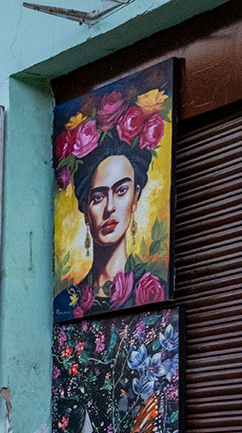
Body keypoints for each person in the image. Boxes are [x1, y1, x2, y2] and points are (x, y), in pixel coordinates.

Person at [53, 86, 170, 322]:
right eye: (98, 197)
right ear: (84, 209)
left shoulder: (157, 291)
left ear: (135, 197)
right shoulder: (65, 304)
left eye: (121, 191)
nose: (109, 208)